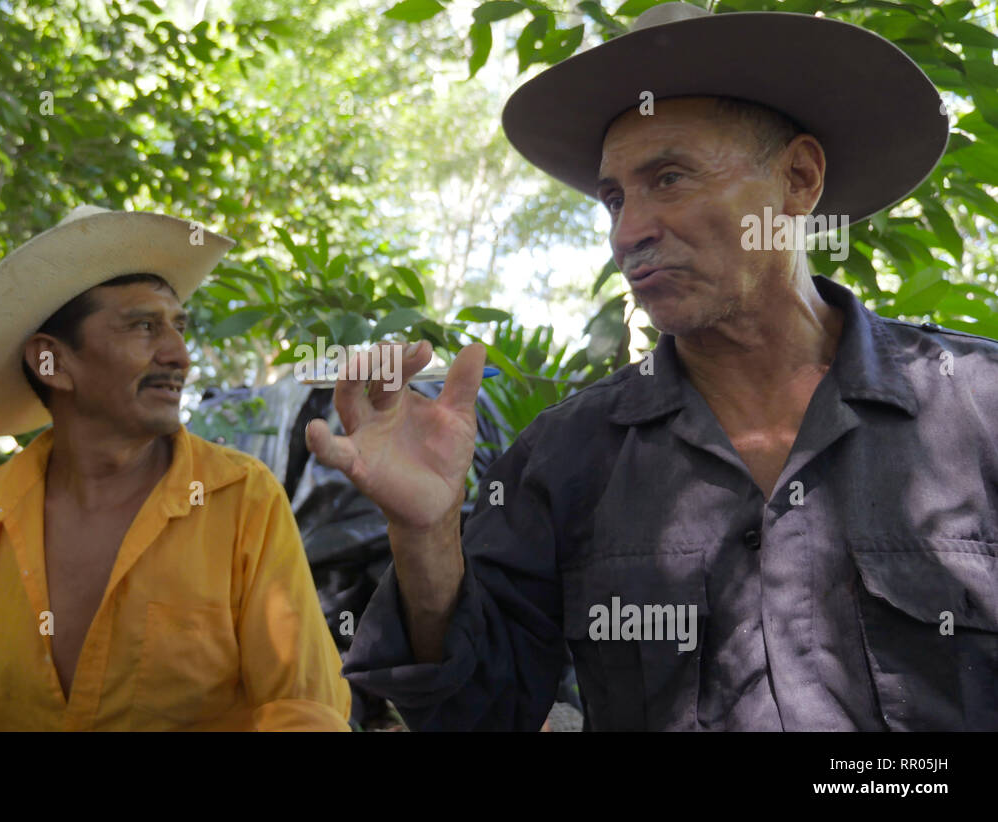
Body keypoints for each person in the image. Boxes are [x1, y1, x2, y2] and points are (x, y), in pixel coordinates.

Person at [308, 3, 998, 730]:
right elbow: (476, 711)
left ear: (798, 180)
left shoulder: (976, 409)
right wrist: (424, 540)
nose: (628, 232)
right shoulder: (565, 459)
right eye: (613, 198)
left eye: (669, 178)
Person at [0, 206, 351, 731]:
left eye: (178, 327)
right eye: (144, 326)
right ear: (52, 362)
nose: (179, 355)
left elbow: (303, 707)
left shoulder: (241, 500)